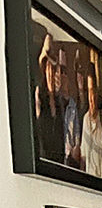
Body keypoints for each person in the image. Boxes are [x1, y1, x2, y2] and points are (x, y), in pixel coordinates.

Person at [37, 35, 64, 164]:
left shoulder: (60, 102)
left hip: (58, 160)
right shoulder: (40, 98)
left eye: (53, 71)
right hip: (44, 159)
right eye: (48, 70)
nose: (51, 75)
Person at [80, 63, 102, 178]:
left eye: (93, 91)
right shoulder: (85, 120)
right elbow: (83, 156)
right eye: (89, 92)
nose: (91, 97)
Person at [63, 53, 85, 169]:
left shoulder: (73, 106)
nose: (62, 76)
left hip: (73, 160)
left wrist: (77, 146)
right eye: (60, 71)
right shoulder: (56, 104)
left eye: (65, 72)